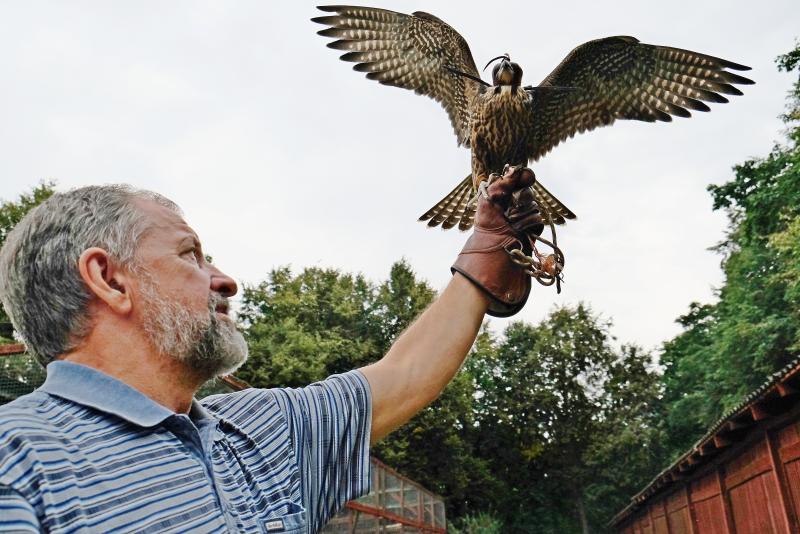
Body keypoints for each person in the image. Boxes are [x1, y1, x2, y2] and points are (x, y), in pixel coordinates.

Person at [0, 167, 543, 533]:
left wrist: (483, 256)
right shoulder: (15, 460)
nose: (226, 280)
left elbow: (405, 375)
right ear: (110, 280)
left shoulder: (260, 429)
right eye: (191, 255)